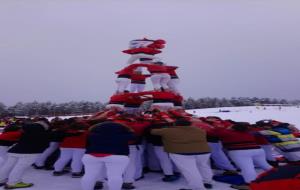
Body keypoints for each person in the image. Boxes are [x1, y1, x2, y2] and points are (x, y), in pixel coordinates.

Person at [151, 118, 213, 190]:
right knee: (203, 166)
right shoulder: (200, 130)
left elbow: (153, 131)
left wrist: (165, 123)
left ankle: (197, 188)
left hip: (182, 153)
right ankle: (207, 182)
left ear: (175, 124)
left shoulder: (169, 130)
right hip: (204, 152)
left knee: (190, 171)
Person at [214, 122, 273, 190]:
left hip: (240, 152)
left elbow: (214, 132)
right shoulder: (248, 133)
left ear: (234, 128)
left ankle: (250, 185)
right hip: (258, 150)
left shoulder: (228, 133)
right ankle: (278, 175)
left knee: (247, 168)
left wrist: (223, 128)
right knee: (265, 165)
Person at [81, 121, 135, 190]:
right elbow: (134, 137)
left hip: (91, 155)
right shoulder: (124, 135)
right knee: (115, 176)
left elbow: (87, 145)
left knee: (89, 175)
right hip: (117, 156)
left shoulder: (92, 135)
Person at [0, 119, 50, 189]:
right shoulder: (42, 131)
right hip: (30, 152)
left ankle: (1, 179)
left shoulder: (26, 129)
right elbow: (45, 144)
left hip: (15, 150)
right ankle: (13, 182)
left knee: (8, 165)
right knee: (20, 167)